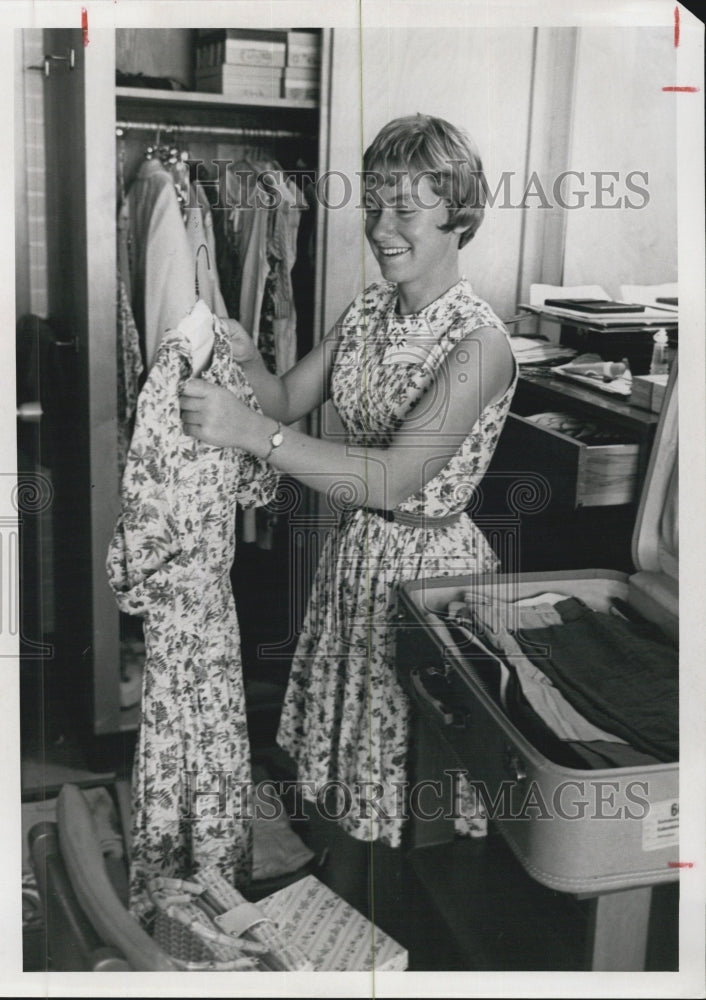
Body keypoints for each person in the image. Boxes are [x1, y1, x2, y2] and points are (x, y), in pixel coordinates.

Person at [180, 113, 517, 915]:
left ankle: (407, 928)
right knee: (352, 759)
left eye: (407, 207)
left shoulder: (480, 342)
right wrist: (247, 357)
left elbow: (398, 479)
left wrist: (250, 434)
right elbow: (289, 399)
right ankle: (350, 909)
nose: (382, 226)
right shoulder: (369, 313)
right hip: (359, 561)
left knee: (410, 774)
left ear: (458, 213)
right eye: (374, 203)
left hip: (431, 582)